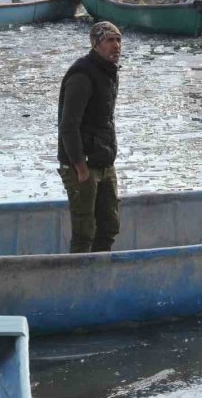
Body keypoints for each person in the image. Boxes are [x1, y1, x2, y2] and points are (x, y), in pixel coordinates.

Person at [57, 21, 123, 253]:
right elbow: (68, 126)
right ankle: (79, 281)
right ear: (96, 45)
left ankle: (99, 276)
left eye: (118, 40)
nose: (116, 46)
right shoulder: (82, 75)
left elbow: (104, 120)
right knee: (85, 231)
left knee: (109, 227)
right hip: (81, 164)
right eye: (109, 40)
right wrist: (80, 167)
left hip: (104, 161)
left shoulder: (109, 72)